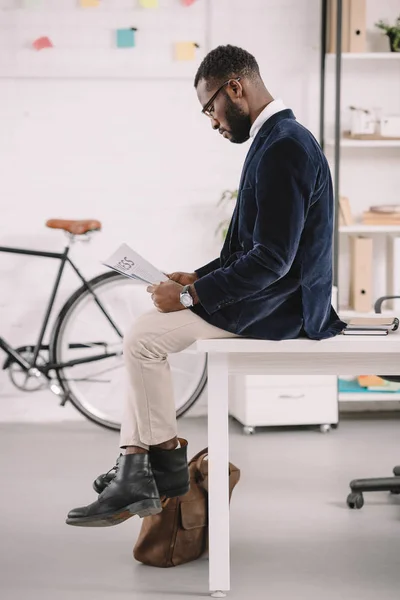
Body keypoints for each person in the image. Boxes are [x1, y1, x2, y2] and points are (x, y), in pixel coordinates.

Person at [66, 45, 346, 527]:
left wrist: (193, 296)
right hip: (271, 295)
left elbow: (274, 260)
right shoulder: (274, 139)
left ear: (234, 89)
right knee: (144, 334)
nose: (212, 121)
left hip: (285, 306)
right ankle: (144, 465)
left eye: (209, 108)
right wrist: (198, 276)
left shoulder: (285, 146)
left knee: (144, 338)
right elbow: (254, 247)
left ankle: (154, 468)